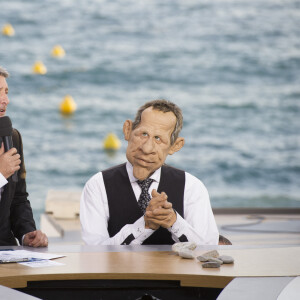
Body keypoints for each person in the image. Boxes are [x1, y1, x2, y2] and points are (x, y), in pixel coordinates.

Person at [80, 99, 219, 245]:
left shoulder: (191, 187)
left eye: (158, 139)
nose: (146, 149)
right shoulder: (98, 185)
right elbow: (94, 252)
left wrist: (174, 222)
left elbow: (208, 250)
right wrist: (144, 225)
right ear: (128, 130)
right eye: (143, 134)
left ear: (174, 146)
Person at [0, 66, 48, 247]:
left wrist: (26, 233)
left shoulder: (12, 138)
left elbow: (18, 198)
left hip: (6, 249)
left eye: (6, 92)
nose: (6, 100)